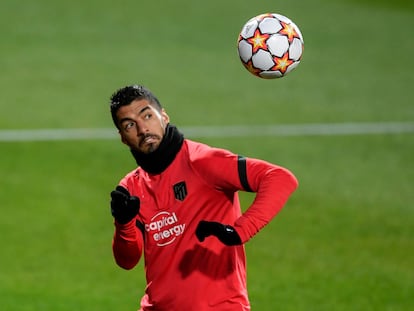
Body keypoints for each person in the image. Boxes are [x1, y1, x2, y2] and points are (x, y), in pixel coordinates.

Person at [109, 84, 298, 311]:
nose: (142, 129)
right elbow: (127, 261)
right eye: (130, 125)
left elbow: (279, 178)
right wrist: (124, 224)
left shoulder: (201, 161)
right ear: (122, 137)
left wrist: (240, 231)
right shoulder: (130, 187)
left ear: (164, 116)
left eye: (147, 115)